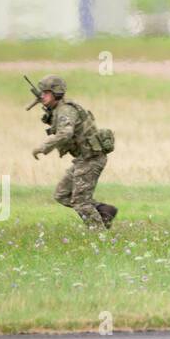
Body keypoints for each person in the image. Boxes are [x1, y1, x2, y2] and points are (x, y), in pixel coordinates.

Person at [31, 75, 118, 229]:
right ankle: (105, 211)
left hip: (91, 159)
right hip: (82, 159)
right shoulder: (58, 109)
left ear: (56, 93)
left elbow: (66, 133)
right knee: (62, 194)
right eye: (41, 93)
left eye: (46, 92)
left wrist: (44, 147)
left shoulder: (66, 110)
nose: (42, 95)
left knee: (80, 201)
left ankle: (99, 234)